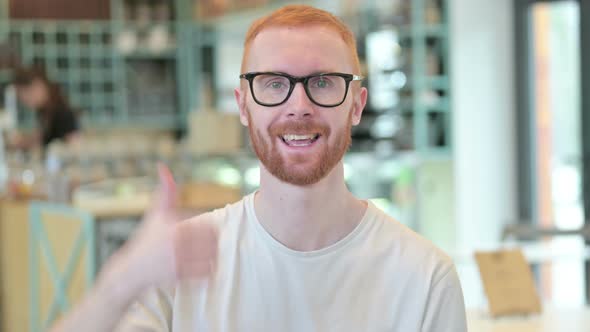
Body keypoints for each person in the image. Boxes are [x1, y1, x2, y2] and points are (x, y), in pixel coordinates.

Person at [50, 5, 467, 332]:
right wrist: (121, 281)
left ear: (356, 105)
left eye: (323, 82)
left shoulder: (425, 277)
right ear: (243, 105)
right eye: (273, 83)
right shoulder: (181, 260)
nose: (299, 106)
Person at [9, 66, 80, 151]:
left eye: (24, 95)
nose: (24, 101)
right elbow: (42, 137)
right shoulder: (46, 111)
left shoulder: (61, 111)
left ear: (38, 86)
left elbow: (74, 145)